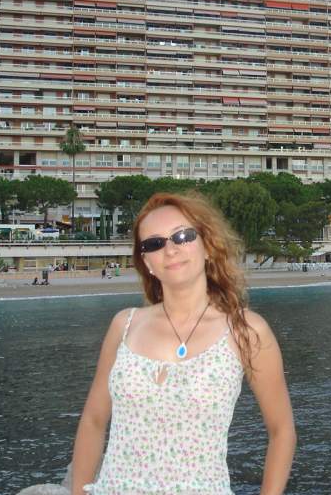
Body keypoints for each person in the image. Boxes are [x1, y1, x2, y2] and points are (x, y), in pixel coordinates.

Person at [71, 192, 296, 494]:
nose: (171, 249)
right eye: (154, 243)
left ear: (207, 246)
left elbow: (282, 431)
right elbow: (93, 420)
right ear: (146, 262)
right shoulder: (124, 326)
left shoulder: (246, 331)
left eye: (183, 236)